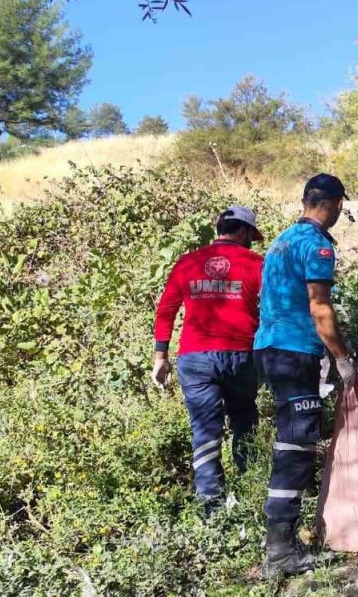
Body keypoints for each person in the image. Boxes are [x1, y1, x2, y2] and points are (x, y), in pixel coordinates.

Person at [253, 174, 356, 577]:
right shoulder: (316, 245)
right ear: (332, 204)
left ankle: (282, 543)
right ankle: (279, 551)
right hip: (294, 349)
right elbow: (320, 308)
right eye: (340, 205)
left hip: (270, 347)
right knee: (296, 444)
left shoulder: (281, 240)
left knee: (291, 440)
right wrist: (342, 356)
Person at [152, 206, 265, 515]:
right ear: (242, 231)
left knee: (205, 429)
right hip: (242, 354)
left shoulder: (188, 263)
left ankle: (210, 507)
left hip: (195, 357)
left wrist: (160, 356)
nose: (251, 242)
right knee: (244, 419)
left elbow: (165, 310)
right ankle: (250, 491)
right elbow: (273, 308)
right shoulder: (257, 263)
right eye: (250, 236)